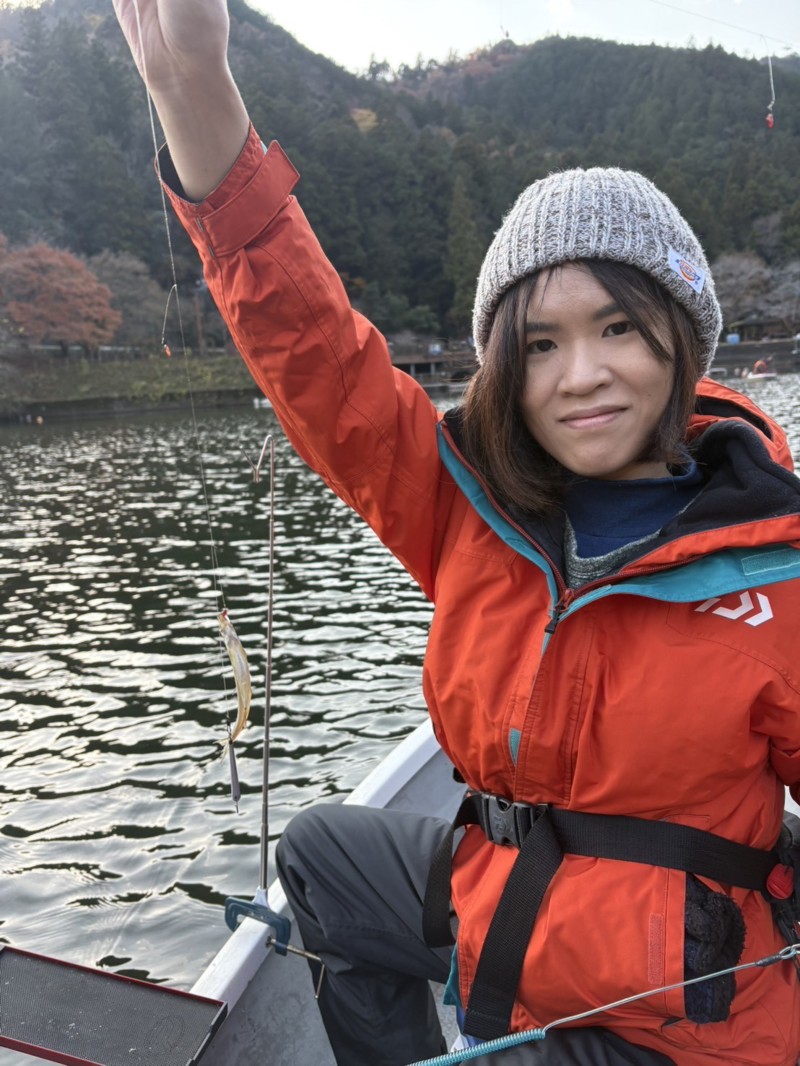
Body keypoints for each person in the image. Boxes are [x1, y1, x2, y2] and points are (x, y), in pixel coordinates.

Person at [113, 4, 800, 1064]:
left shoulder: (780, 560)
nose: (579, 375)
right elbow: (314, 350)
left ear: (680, 338)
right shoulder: (464, 506)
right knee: (322, 853)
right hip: (508, 914)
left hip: (677, 1025)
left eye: (616, 326)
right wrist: (190, 90)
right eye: (537, 343)